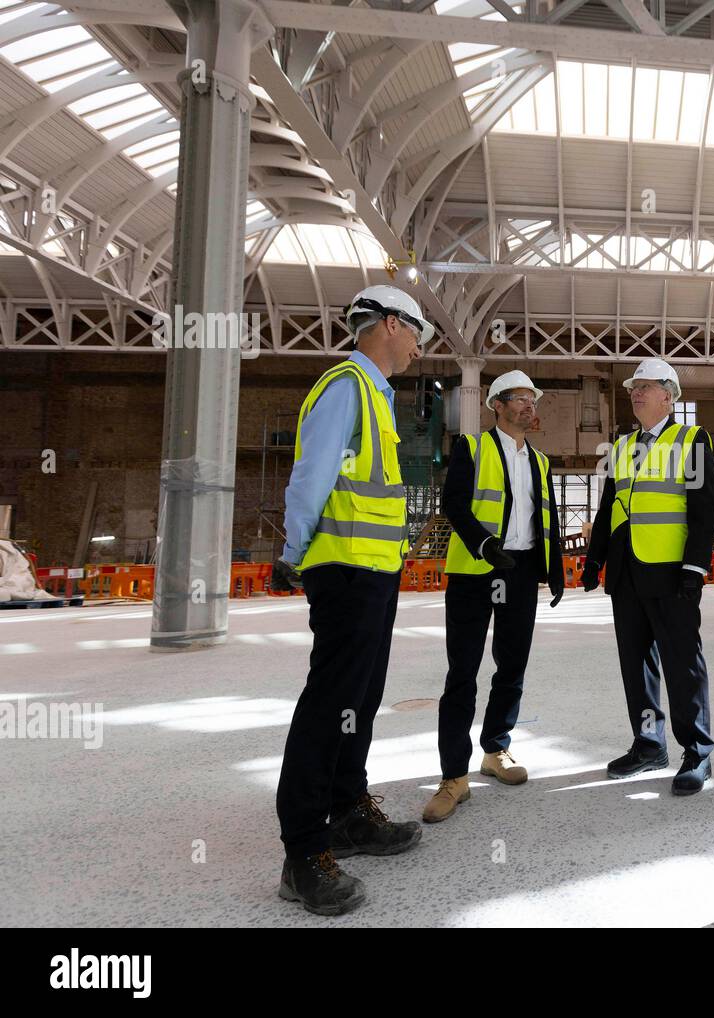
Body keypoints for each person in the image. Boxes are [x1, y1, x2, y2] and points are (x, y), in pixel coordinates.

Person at [272, 284, 432, 916]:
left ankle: (347, 811)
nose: (420, 345)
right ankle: (303, 852)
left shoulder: (377, 396)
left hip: (373, 573)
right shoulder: (347, 387)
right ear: (390, 324)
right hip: (342, 571)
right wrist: (293, 549)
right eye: (417, 330)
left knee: (359, 699)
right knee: (330, 702)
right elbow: (312, 474)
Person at [423, 370, 565, 824]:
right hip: (474, 571)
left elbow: (549, 519)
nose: (529, 406)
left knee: (512, 665)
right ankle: (452, 776)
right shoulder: (472, 447)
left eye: (532, 399)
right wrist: (485, 546)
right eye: (520, 399)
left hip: (521, 571)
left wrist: (555, 569)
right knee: (462, 671)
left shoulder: (540, 462)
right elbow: (455, 505)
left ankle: (495, 749)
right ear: (497, 405)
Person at [582, 357, 714, 795]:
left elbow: (703, 510)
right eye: (632, 388)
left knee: (683, 663)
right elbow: (609, 509)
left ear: (669, 395)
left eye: (644, 386)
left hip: (672, 572)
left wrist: (695, 568)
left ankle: (697, 752)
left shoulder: (692, 440)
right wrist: (593, 559)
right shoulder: (622, 447)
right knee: (636, 664)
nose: (635, 393)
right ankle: (648, 745)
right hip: (627, 573)